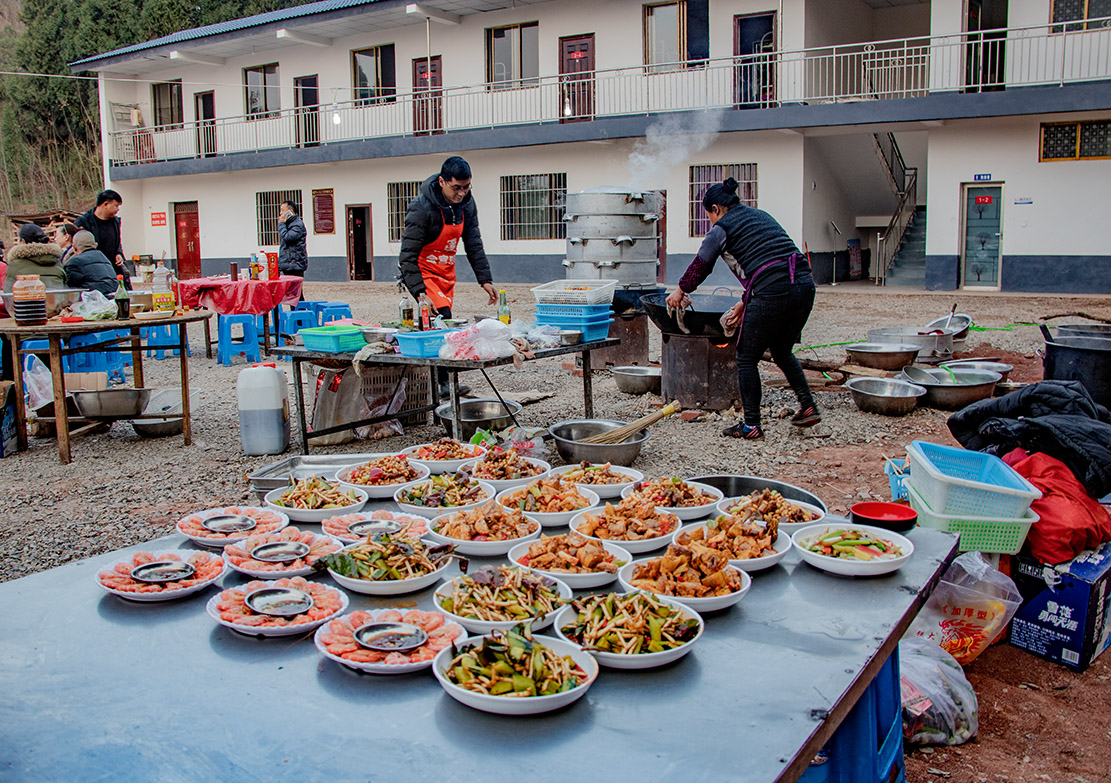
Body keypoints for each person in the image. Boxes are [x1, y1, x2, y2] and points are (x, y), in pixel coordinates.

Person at [666, 177, 820, 440]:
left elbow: (702, 265)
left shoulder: (721, 228)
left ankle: (751, 425)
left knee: (746, 356)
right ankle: (807, 406)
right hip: (804, 286)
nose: (710, 222)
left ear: (716, 209)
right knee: (782, 350)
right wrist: (745, 301)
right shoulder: (760, 216)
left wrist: (681, 289)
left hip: (773, 290)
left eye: (709, 216)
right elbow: (771, 261)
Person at [399, 156, 498, 396]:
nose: (462, 193)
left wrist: (485, 279)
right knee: (443, 319)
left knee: (439, 326)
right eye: (456, 188)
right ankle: (444, 385)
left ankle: (440, 383)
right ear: (442, 181)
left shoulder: (467, 205)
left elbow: (473, 242)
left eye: (466, 187)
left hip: (446, 273)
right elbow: (407, 256)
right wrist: (420, 292)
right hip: (424, 271)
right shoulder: (421, 208)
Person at [76, 189, 131, 289]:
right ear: (105, 204)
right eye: (116, 206)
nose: (117, 210)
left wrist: (118, 253)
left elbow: (117, 242)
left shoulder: (115, 222)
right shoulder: (84, 222)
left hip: (113, 268)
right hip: (93, 270)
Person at [3, 223, 66, 292]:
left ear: (22, 242)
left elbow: (8, 293)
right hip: (55, 301)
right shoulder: (57, 263)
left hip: (26, 302)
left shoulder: (14, 265)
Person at [65, 231, 118, 295]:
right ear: (95, 245)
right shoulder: (104, 258)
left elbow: (71, 288)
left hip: (93, 299)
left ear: (74, 247)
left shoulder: (75, 262)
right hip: (111, 298)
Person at [277, 200, 307, 301]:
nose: (280, 213)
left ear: (290, 211)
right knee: (292, 295)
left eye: (282, 210)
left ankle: (301, 315)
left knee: (296, 295)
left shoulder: (297, 225)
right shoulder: (289, 224)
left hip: (295, 264)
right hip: (289, 264)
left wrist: (281, 224)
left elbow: (287, 237)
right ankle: (297, 315)